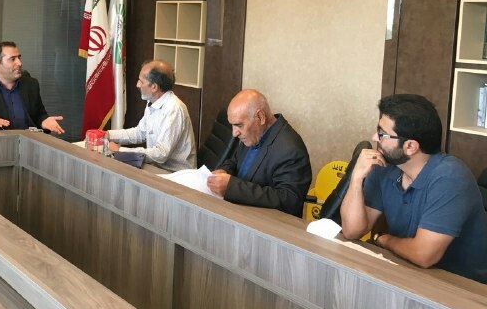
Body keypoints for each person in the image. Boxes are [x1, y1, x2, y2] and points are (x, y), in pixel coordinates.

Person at [340, 94, 487, 283]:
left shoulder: (450, 176)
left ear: (410, 146)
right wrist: (356, 178)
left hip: (464, 287)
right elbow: (352, 231)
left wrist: (384, 239)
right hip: (411, 273)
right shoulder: (384, 167)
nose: (375, 138)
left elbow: (424, 255)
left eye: (382, 134)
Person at [206, 89, 311, 217]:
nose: (234, 133)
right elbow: (235, 161)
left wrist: (232, 187)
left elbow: (289, 201)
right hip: (239, 213)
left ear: (260, 117)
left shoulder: (291, 149)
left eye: (239, 125)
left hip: (265, 223)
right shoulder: (254, 134)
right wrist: (224, 171)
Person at [106, 60, 195, 172]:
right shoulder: (153, 101)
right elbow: (140, 133)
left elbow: (161, 154)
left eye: (141, 81)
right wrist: (108, 135)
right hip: (156, 167)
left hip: (174, 174)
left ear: (154, 87)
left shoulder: (174, 109)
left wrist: (120, 150)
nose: (137, 85)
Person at [0, 41, 65, 134]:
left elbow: (39, 115)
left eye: (19, 58)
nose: (19, 63)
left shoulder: (31, 85)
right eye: (13, 59)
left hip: (29, 141)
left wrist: (44, 122)